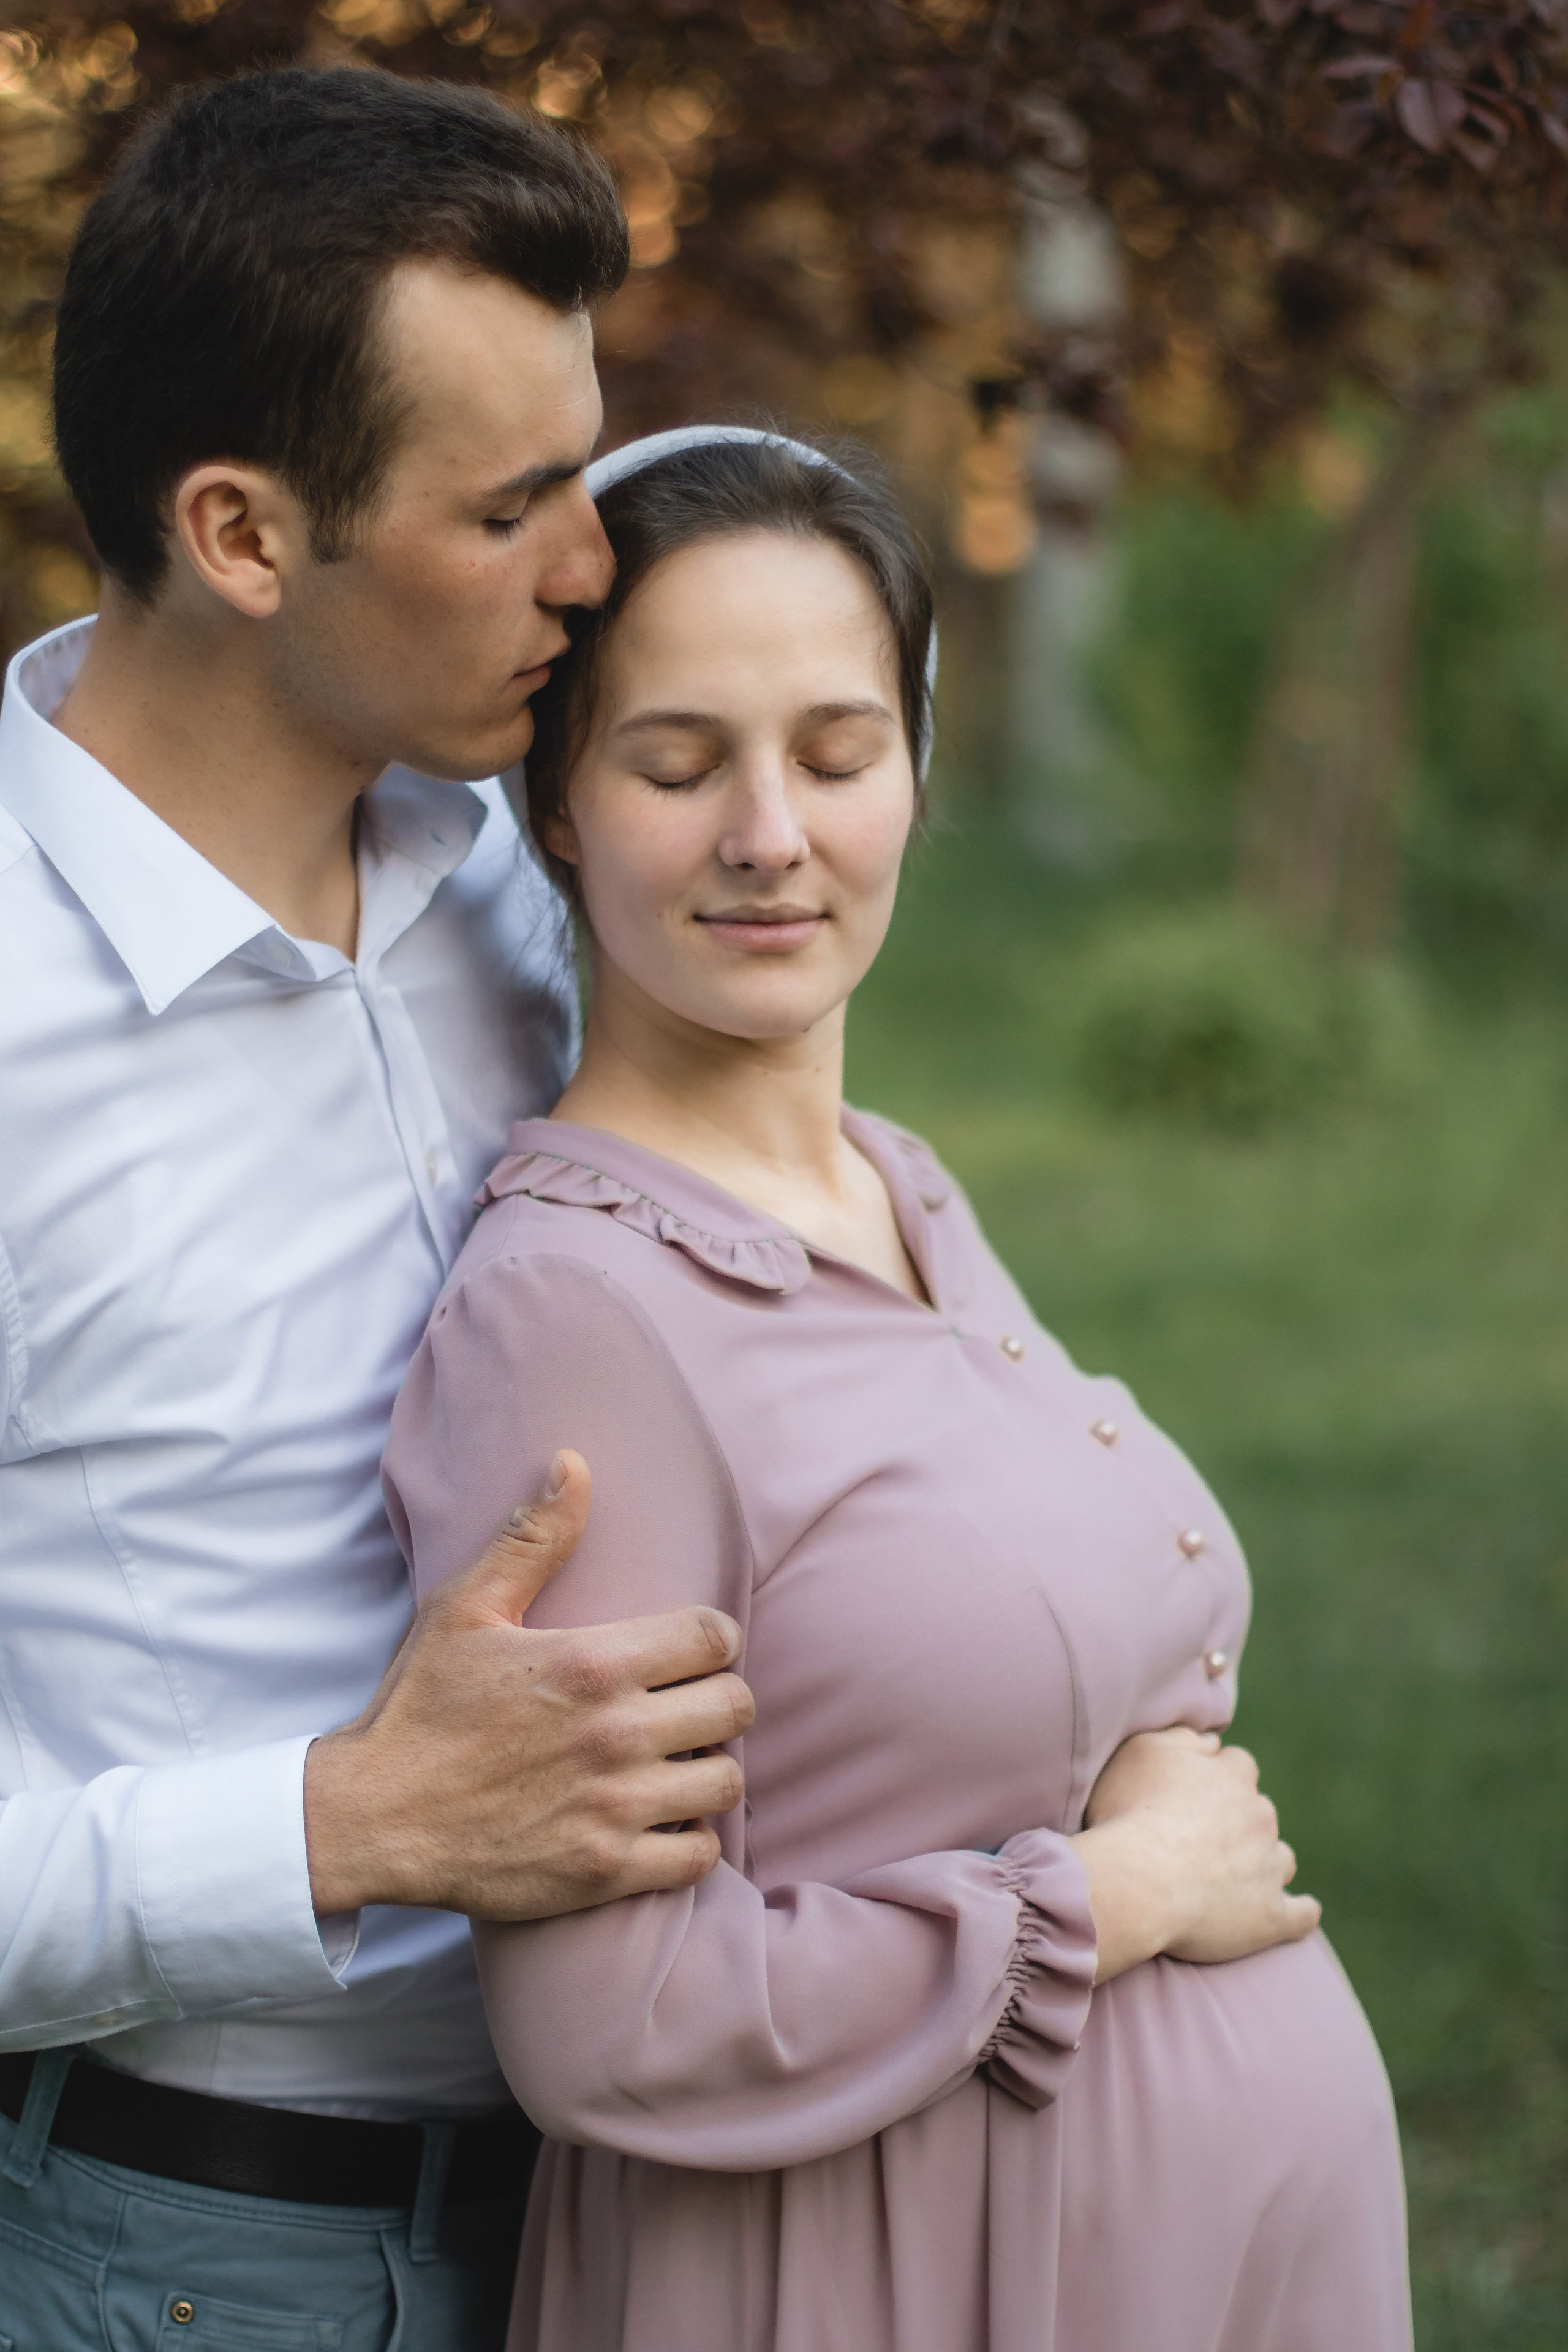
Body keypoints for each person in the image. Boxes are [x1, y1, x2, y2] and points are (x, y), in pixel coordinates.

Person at [383, 426, 1415, 2352]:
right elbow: (615, 2027)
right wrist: (1103, 1898)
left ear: (917, 774)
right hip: (882, 2282)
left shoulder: (894, 1182)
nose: (770, 830)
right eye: (679, 763)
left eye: (840, 754)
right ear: (559, 813)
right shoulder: (582, 1313)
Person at [0, 72, 755, 2351]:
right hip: (194, 2260)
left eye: (589, 473)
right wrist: (347, 1824)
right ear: (241, 532)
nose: (593, 567)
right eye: (513, 504)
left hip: (646, 2205)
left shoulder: (516, 895)